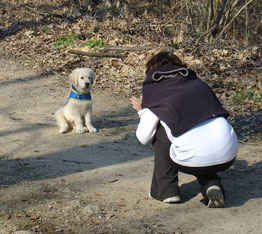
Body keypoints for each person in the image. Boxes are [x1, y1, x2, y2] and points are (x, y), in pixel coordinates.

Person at [130, 51, 238, 208]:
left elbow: (143, 137)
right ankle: (211, 184)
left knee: (161, 129)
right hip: (228, 153)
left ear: (152, 71)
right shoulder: (197, 83)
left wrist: (144, 110)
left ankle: (166, 191)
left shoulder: (155, 90)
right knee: (198, 137)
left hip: (193, 156)